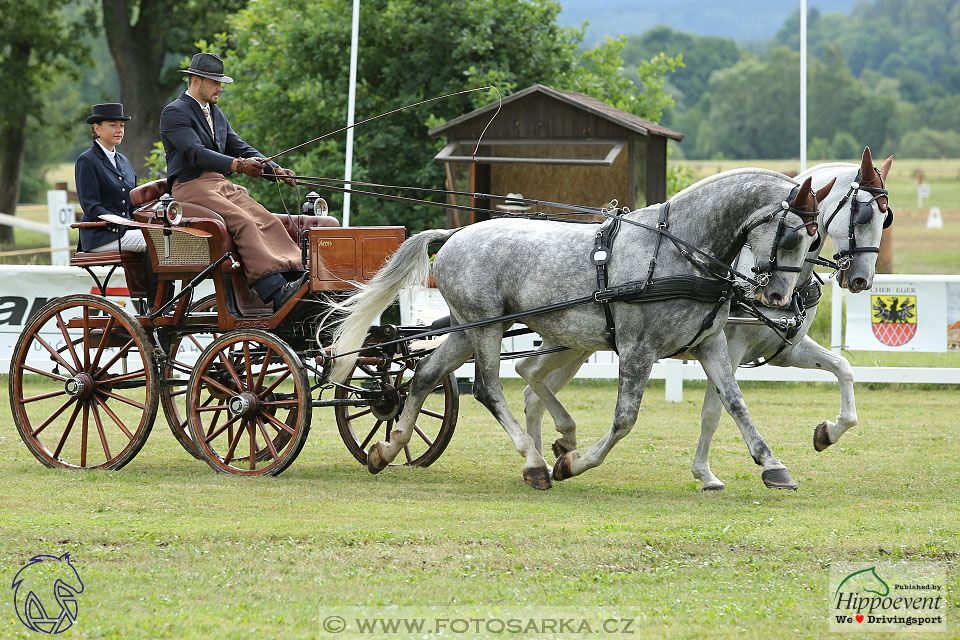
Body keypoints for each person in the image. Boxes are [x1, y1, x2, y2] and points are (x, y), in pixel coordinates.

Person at [159, 52, 305, 311]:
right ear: (195, 80)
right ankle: (273, 289)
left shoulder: (215, 113)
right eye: (215, 82)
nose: (220, 88)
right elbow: (195, 153)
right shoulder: (174, 112)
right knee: (244, 221)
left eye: (220, 82)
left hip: (219, 184)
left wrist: (274, 170)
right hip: (191, 186)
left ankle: (294, 277)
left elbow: (239, 145)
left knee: (267, 220)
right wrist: (236, 165)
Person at [75, 103, 146, 253]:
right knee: (154, 242)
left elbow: (133, 202)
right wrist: (119, 221)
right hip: (101, 237)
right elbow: (91, 206)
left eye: (122, 125)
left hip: (127, 231)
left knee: (165, 237)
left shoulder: (124, 161)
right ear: (97, 128)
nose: (119, 130)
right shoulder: (87, 161)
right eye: (113, 125)